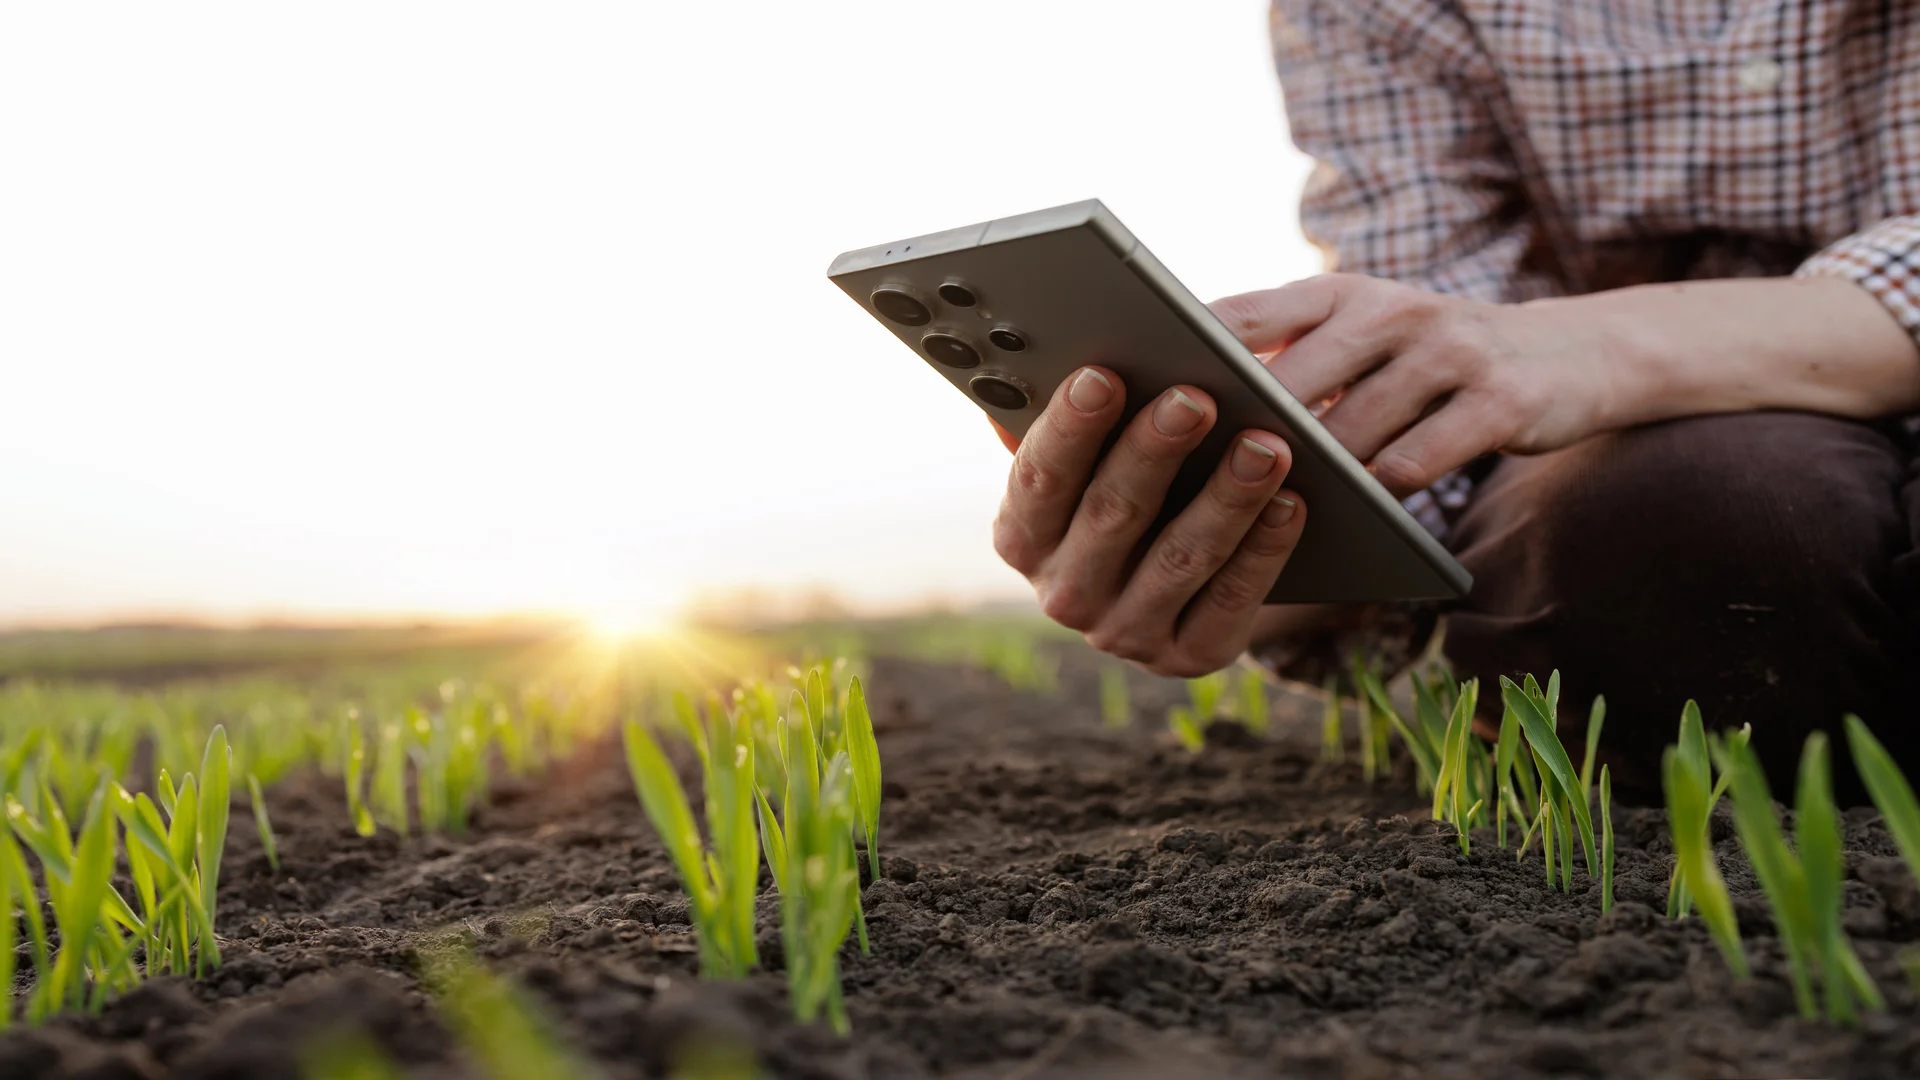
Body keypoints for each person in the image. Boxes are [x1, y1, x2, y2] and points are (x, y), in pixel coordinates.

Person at [988, 0, 1920, 801]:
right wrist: (1286, 545)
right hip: (1634, 453)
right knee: (1678, 525)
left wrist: (1593, 345)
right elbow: (1438, 321)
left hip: (1631, 390)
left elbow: (1502, 350)